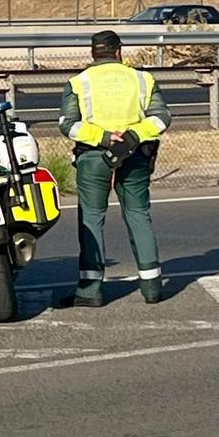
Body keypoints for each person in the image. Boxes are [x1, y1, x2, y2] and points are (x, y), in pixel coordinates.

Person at [58, 29, 171, 308]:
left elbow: (68, 125)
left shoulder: (78, 82)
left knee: (92, 219)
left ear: (93, 53)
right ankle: (152, 287)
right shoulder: (143, 79)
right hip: (135, 155)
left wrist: (105, 138)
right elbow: (161, 118)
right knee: (138, 215)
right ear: (119, 52)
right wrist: (133, 135)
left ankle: (90, 290)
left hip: (94, 157)